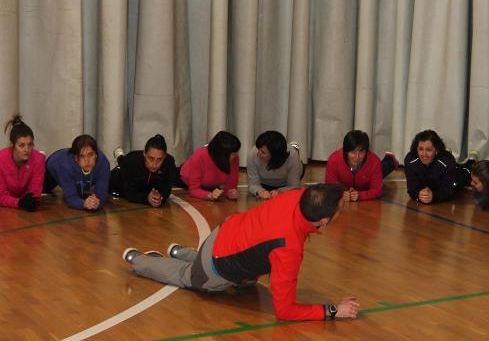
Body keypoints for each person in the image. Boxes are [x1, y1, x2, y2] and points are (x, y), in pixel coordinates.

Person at [122, 184, 359, 321]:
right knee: (187, 277)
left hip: (227, 232)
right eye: (340, 207)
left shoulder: (299, 195)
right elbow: (285, 311)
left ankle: (180, 252)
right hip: (217, 263)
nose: (343, 207)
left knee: (239, 281)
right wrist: (333, 311)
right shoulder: (288, 249)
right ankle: (141, 261)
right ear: (325, 221)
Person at [0, 115, 45, 211]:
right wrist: (19, 203)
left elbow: (35, 192)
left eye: (30, 144)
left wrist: (31, 201)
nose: (27, 150)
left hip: (18, 199)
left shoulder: (39, 159)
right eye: (21, 145)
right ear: (12, 146)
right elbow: (0, 196)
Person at [404, 129, 475, 204]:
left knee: (463, 175)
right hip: (431, 182)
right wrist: (419, 195)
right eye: (421, 149)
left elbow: (448, 191)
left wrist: (434, 197)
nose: (424, 154)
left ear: (436, 150)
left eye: (428, 150)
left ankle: (471, 161)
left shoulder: (447, 161)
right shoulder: (410, 160)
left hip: (452, 176)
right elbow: (412, 189)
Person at [43, 134, 110, 211]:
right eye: (82, 156)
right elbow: (70, 197)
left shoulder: (103, 163)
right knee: (42, 190)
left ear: (96, 154)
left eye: (90, 155)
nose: (87, 161)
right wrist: (84, 204)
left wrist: (97, 203)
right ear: (75, 158)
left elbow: (102, 195)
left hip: (74, 168)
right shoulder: (65, 165)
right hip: (53, 167)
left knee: (82, 192)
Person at [109, 134, 176, 208]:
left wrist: (160, 198)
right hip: (117, 184)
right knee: (123, 161)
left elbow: (166, 191)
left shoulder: (169, 162)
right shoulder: (130, 161)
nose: (154, 164)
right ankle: (119, 157)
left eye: (159, 160)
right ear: (144, 154)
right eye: (151, 159)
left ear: (165, 157)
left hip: (145, 185)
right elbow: (130, 194)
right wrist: (147, 199)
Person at [179, 131, 241, 201]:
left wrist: (231, 193)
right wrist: (209, 195)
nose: (237, 155)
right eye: (233, 153)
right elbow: (194, 189)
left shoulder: (234, 158)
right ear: (222, 154)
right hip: (184, 179)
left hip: (209, 184)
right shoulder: (199, 155)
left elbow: (230, 187)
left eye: (237, 152)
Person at [325, 130, 383, 201]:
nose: (357, 157)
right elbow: (329, 186)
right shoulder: (333, 159)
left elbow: (377, 190)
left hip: (366, 183)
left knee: (384, 169)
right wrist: (340, 194)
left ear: (367, 151)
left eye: (361, 152)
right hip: (345, 188)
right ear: (345, 151)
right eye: (353, 152)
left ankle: (390, 160)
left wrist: (360, 195)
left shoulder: (375, 162)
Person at [247, 131, 303, 199]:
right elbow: (253, 184)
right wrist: (260, 191)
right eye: (258, 149)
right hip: (264, 183)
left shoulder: (293, 155)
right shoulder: (253, 154)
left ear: (275, 155)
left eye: (263, 152)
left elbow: (294, 185)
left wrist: (280, 191)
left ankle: (298, 158)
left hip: (285, 184)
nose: (258, 154)